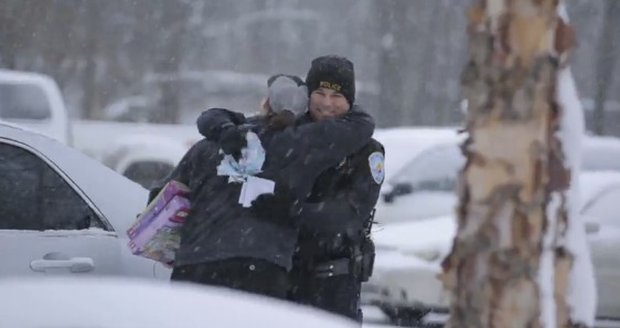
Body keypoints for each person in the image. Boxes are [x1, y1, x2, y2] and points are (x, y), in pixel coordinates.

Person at [152, 72, 375, 301]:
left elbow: (159, 197)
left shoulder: (211, 143)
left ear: (265, 102)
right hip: (263, 268)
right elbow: (361, 125)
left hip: (194, 264)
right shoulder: (302, 146)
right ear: (303, 112)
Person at [197, 55, 385, 323]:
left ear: (350, 101)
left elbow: (349, 213)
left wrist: (291, 211)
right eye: (320, 93)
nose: (327, 103)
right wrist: (226, 131)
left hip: (332, 282)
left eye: (337, 96)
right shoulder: (289, 129)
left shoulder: (365, 149)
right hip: (279, 276)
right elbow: (211, 117)